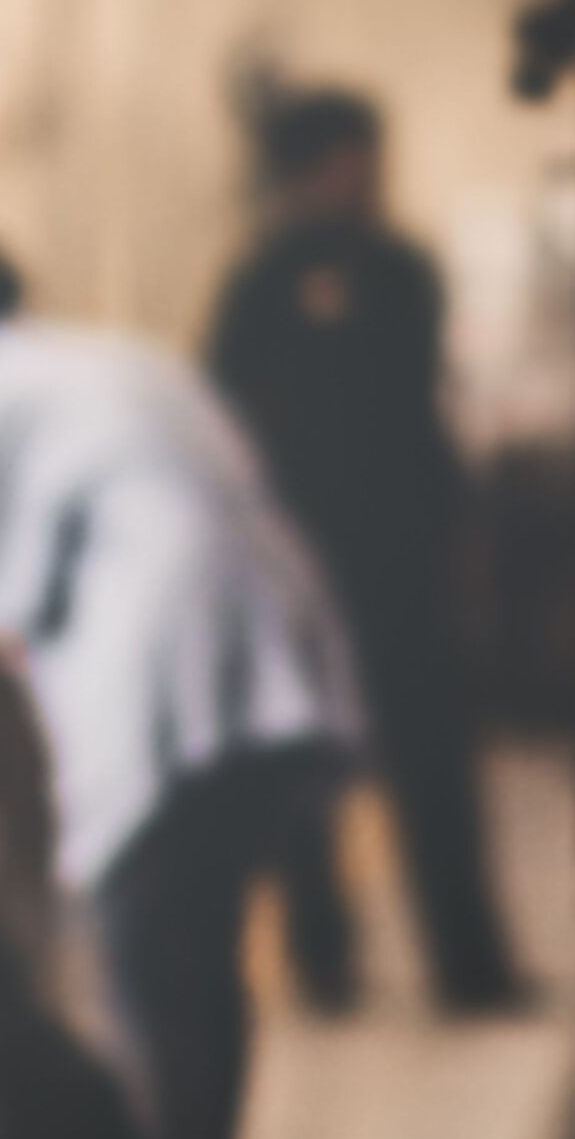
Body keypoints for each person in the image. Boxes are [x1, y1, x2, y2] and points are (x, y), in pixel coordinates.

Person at [0, 236, 360, 1139]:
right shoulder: (119, 360)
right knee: (205, 972)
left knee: (142, 970)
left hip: (163, 681)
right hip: (270, 662)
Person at [208, 90, 521, 1010]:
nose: (362, 180)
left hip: (403, 556)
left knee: (432, 760)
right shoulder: (263, 284)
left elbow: (429, 414)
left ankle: (468, 966)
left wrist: (458, 533)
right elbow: (232, 423)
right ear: (308, 174)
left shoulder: (401, 272)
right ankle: (323, 962)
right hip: (304, 562)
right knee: (310, 770)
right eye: (347, 162)